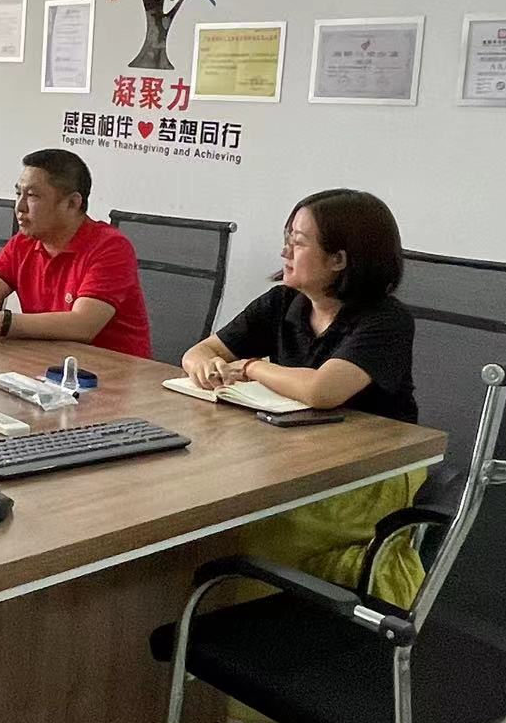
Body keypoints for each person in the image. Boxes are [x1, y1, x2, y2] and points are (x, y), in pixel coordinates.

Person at [180, 188, 423, 606]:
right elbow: (200, 351)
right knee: (200, 496)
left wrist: (250, 367)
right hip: (297, 454)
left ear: (338, 259)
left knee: (246, 525)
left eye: (298, 241)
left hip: (370, 473)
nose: (285, 251)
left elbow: (322, 390)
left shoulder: (386, 320)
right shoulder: (283, 301)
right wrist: (204, 365)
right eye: (287, 238)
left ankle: (240, 623)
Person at [0, 149, 151, 358]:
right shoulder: (23, 243)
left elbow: (83, 325)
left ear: (72, 203)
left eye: (32, 196)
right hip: (45, 363)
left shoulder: (111, 247)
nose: (20, 207)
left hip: (112, 370)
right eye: (18, 194)